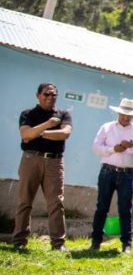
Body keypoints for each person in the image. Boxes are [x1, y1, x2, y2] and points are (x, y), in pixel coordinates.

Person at [14, 83, 73, 252]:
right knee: (25, 201)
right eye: (46, 94)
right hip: (31, 159)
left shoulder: (63, 114)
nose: (50, 97)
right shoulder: (28, 114)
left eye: (54, 95)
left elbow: (65, 134)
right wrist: (47, 125)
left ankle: (58, 243)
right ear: (38, 95)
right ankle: (19, 241)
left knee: (56, 202)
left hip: (54, 162)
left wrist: (38, 133)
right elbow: (25, 134)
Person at [90, 98, 133, 253]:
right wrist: (113, 149)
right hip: (107, 171)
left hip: (127, 174)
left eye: (129, 115)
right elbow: (96, 147)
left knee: (125, 209)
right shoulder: (107, 127)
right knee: (102, 207)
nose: (126, 118)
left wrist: (132, 146)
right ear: (118, 113)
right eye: (123, 114)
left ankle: (127, 244)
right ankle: (96, 241)